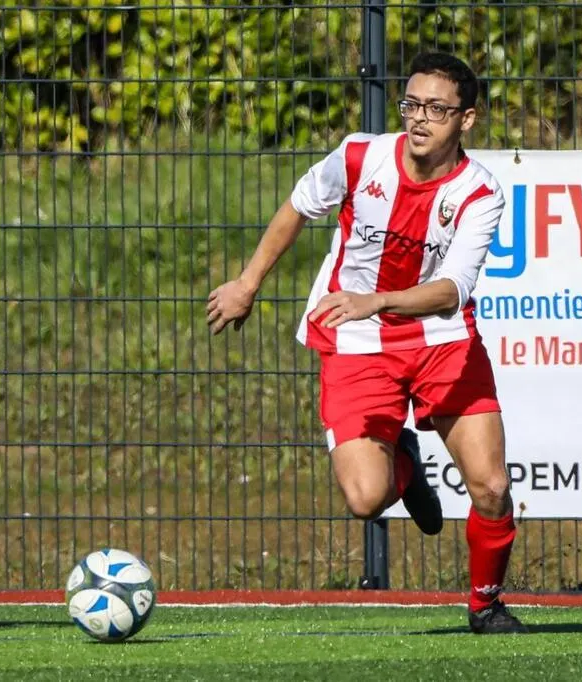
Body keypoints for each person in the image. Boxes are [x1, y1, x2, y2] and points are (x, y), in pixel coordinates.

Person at [206, 52, 526, 634]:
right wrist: (247, 284)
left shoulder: (480, 193)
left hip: (442, 342)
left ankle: (485, 603)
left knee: (492, 487)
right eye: (411, 104)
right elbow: (299, 207)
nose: (419, 119)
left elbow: (452, 291)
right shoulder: (360, 155)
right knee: (364, 499)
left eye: (436, 109)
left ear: (468, 119)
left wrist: (378, 300)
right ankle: (405, 459)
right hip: (355, 340)